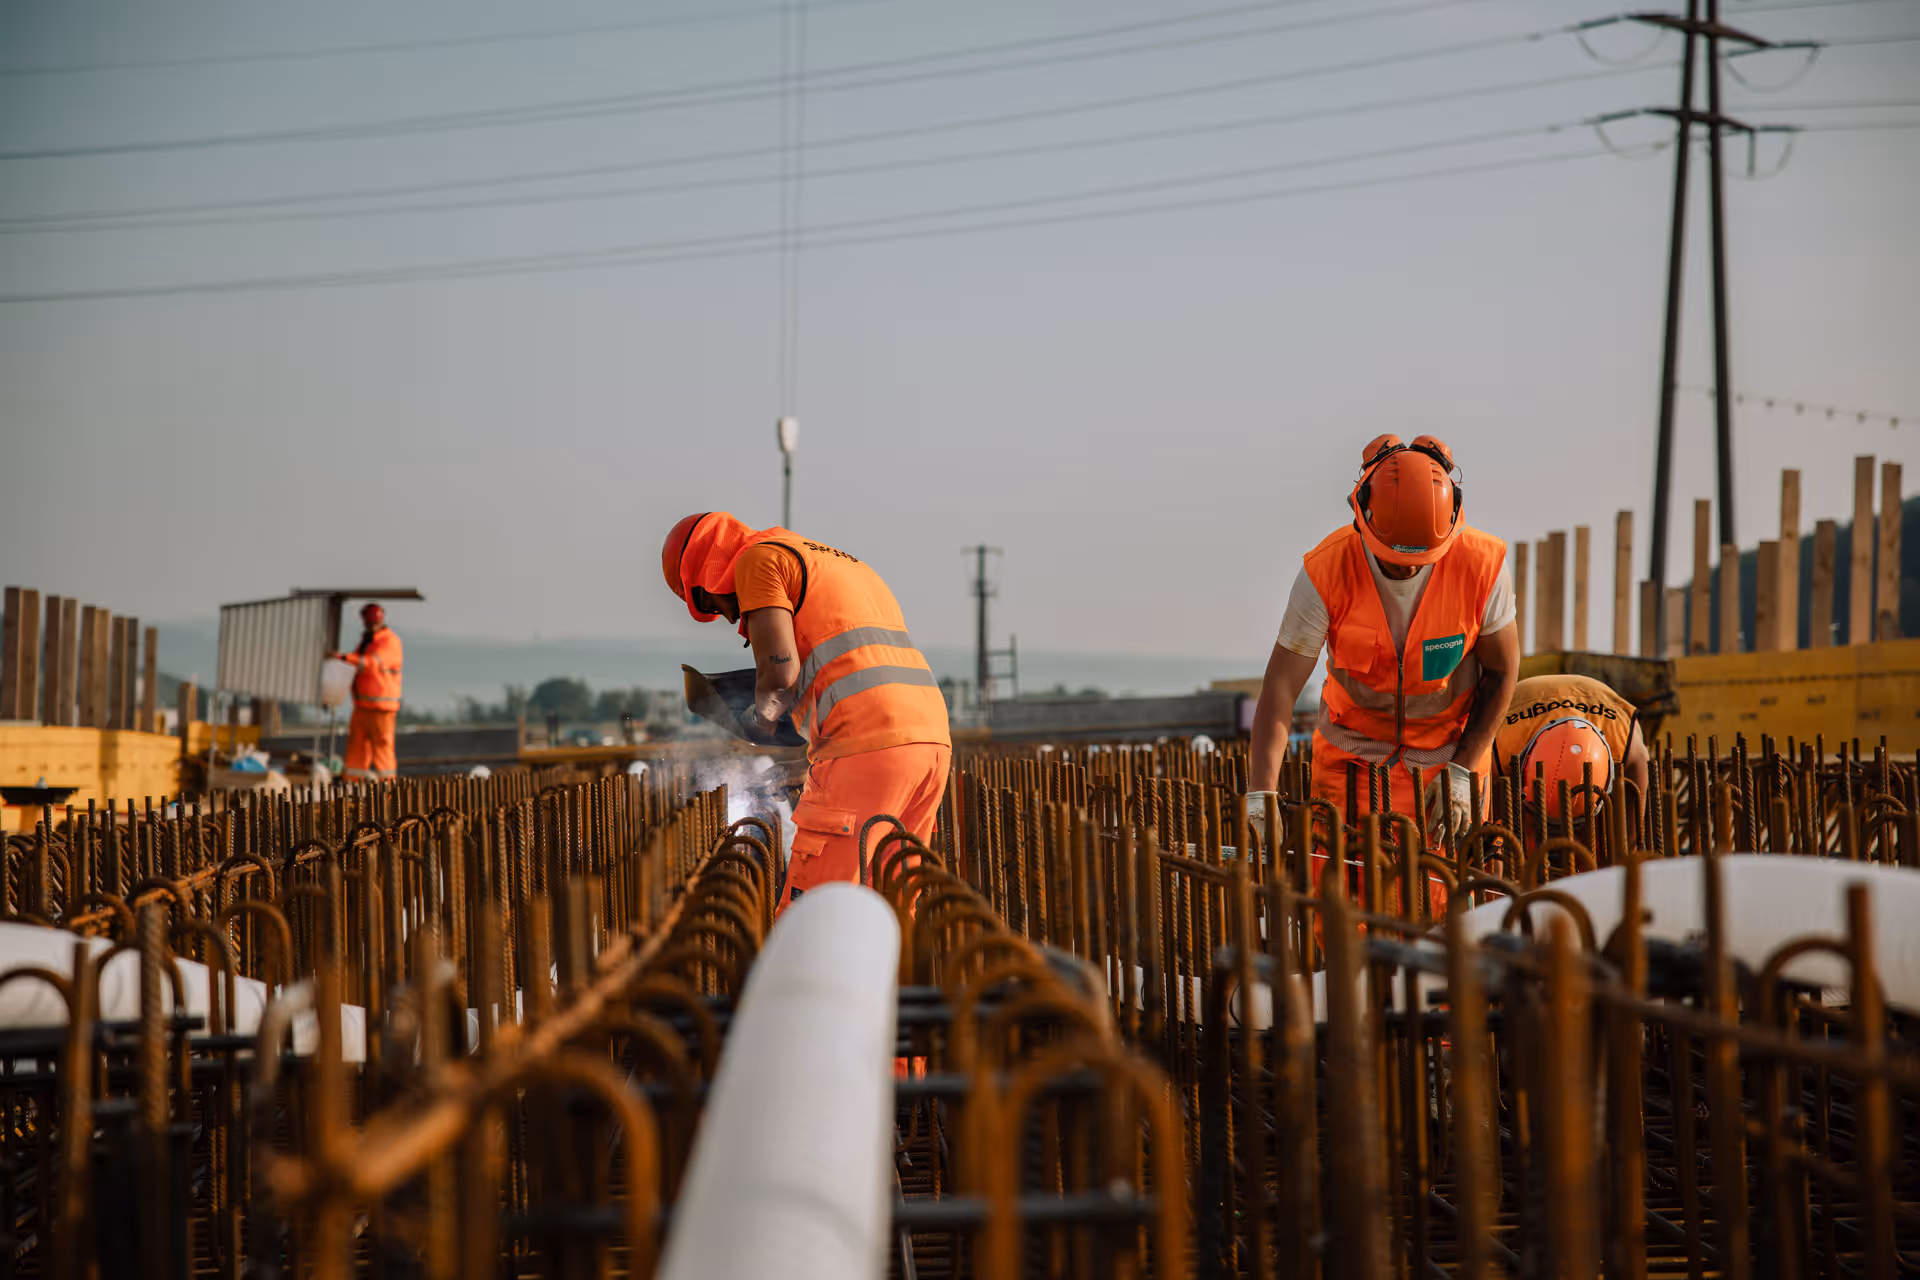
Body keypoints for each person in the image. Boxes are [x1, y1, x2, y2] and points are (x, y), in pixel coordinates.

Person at [661, 512, 951, 909]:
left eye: (710, 604)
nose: (728, 617)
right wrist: (808, 764)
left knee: (815, 919)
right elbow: (861, 685)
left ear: (705, 576)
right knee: (890, 912)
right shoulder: (840, 565)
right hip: (928, 744)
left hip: (866, 750)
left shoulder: (758, 560)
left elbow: (780, 677)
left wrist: (758, 721)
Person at [1245, 434, 1520, 845]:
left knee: (1442, 899)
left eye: (1421, 559)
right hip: (1350, 766)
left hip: (1446, 767)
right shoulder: (1326, 572)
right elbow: (1281, 688)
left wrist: (1463, 770)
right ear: (1362, 519)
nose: (1407, 570)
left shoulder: (1483, 566)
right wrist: (1261, 792)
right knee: (1341, 897)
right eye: (1393, 557)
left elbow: (1502, 673)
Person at [1494, 672, 1650, 823]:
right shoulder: (1499, 746)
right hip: (1523, 700)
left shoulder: (1627, 746)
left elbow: (1632, 832)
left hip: (1598, 699)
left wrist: (1628, 845)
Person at [330, 602, 404, 782]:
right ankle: (352, 788)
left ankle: (388, 790)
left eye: (372, 622)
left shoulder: (389, 642)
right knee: (357, 749)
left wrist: (343, 657)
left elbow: (370, 663)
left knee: (382, 750)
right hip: (362, 706)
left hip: (381, 708)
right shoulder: (367, 641)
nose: (370, 626)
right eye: (368, 622)